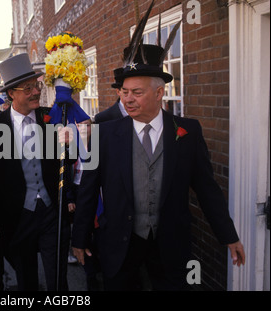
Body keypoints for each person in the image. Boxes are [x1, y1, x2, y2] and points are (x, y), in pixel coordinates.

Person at [72, 44, 245, 291]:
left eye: (137, 92)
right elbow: (88, 189)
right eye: (124, 92)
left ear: (159, 93)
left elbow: (207, 189)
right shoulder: (103, 134)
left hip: (170, 243)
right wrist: (79, 238)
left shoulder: (188, 132)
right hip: (120, 242)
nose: (128, 99)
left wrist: (229, 235)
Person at [0, 53, 73, 291]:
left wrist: (68, 146)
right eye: (27, 88)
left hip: (52, 213)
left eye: (36, 85)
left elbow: (66, 163)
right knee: (26, 281)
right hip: (17, 217)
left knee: (58, 279)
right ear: (11, 94)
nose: (36, 92)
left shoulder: (52, 118)